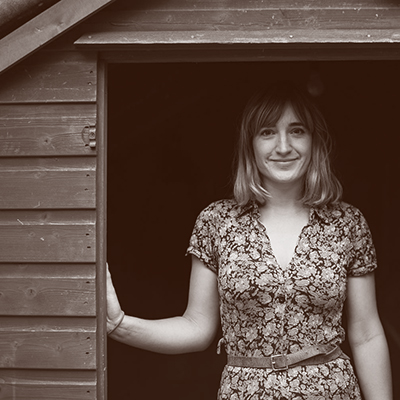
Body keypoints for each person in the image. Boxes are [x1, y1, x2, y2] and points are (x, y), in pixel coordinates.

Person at [106, 81, 392, 399]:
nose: (283, 146)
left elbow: (366, 333)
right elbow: (197, 327)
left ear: (315, 141)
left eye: (297, 131)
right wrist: (120, 324)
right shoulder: (218, 221)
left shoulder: (347, 223)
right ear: (250, 144)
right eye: (267, 132)